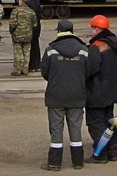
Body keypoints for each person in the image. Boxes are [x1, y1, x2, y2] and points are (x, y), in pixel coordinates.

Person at [41, 19, 90, 171]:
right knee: (75, 129)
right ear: (72, 31)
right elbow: (88, 72)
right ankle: (78, 162)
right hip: (77, 95)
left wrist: (57, 80)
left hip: (56, 96)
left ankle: (54, 163)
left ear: (58, 31)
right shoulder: (83, 50)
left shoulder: (50, 50)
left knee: (56, 129)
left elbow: (45, 72)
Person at [85, 15, 117, 164]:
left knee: (96, 123)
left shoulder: (97, 46)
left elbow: (90, 69)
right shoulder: (116, 44)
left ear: (97, 29)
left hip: (97, 91)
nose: (91, 31)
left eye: (92, 28)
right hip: (111, 91)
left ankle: (100, 154)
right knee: (109, 121)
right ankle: (112, 152)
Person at [9, 0, 38, 76]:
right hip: (28, 35)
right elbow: (35, 25)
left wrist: (12, 31)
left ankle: (17, 70)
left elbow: (12, 24)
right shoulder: (31, 12)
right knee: (27, 52)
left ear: (21, 1)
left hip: (17, 35)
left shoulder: (16, 11)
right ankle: (25, 69)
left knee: (18, 53)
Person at [25, 0, 44, 71]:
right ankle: (37, 65)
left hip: (31, 26)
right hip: (38, 26)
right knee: (36, 45)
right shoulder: (37, 2)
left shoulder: (29, 4)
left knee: (31, 46)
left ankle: (32, 66)